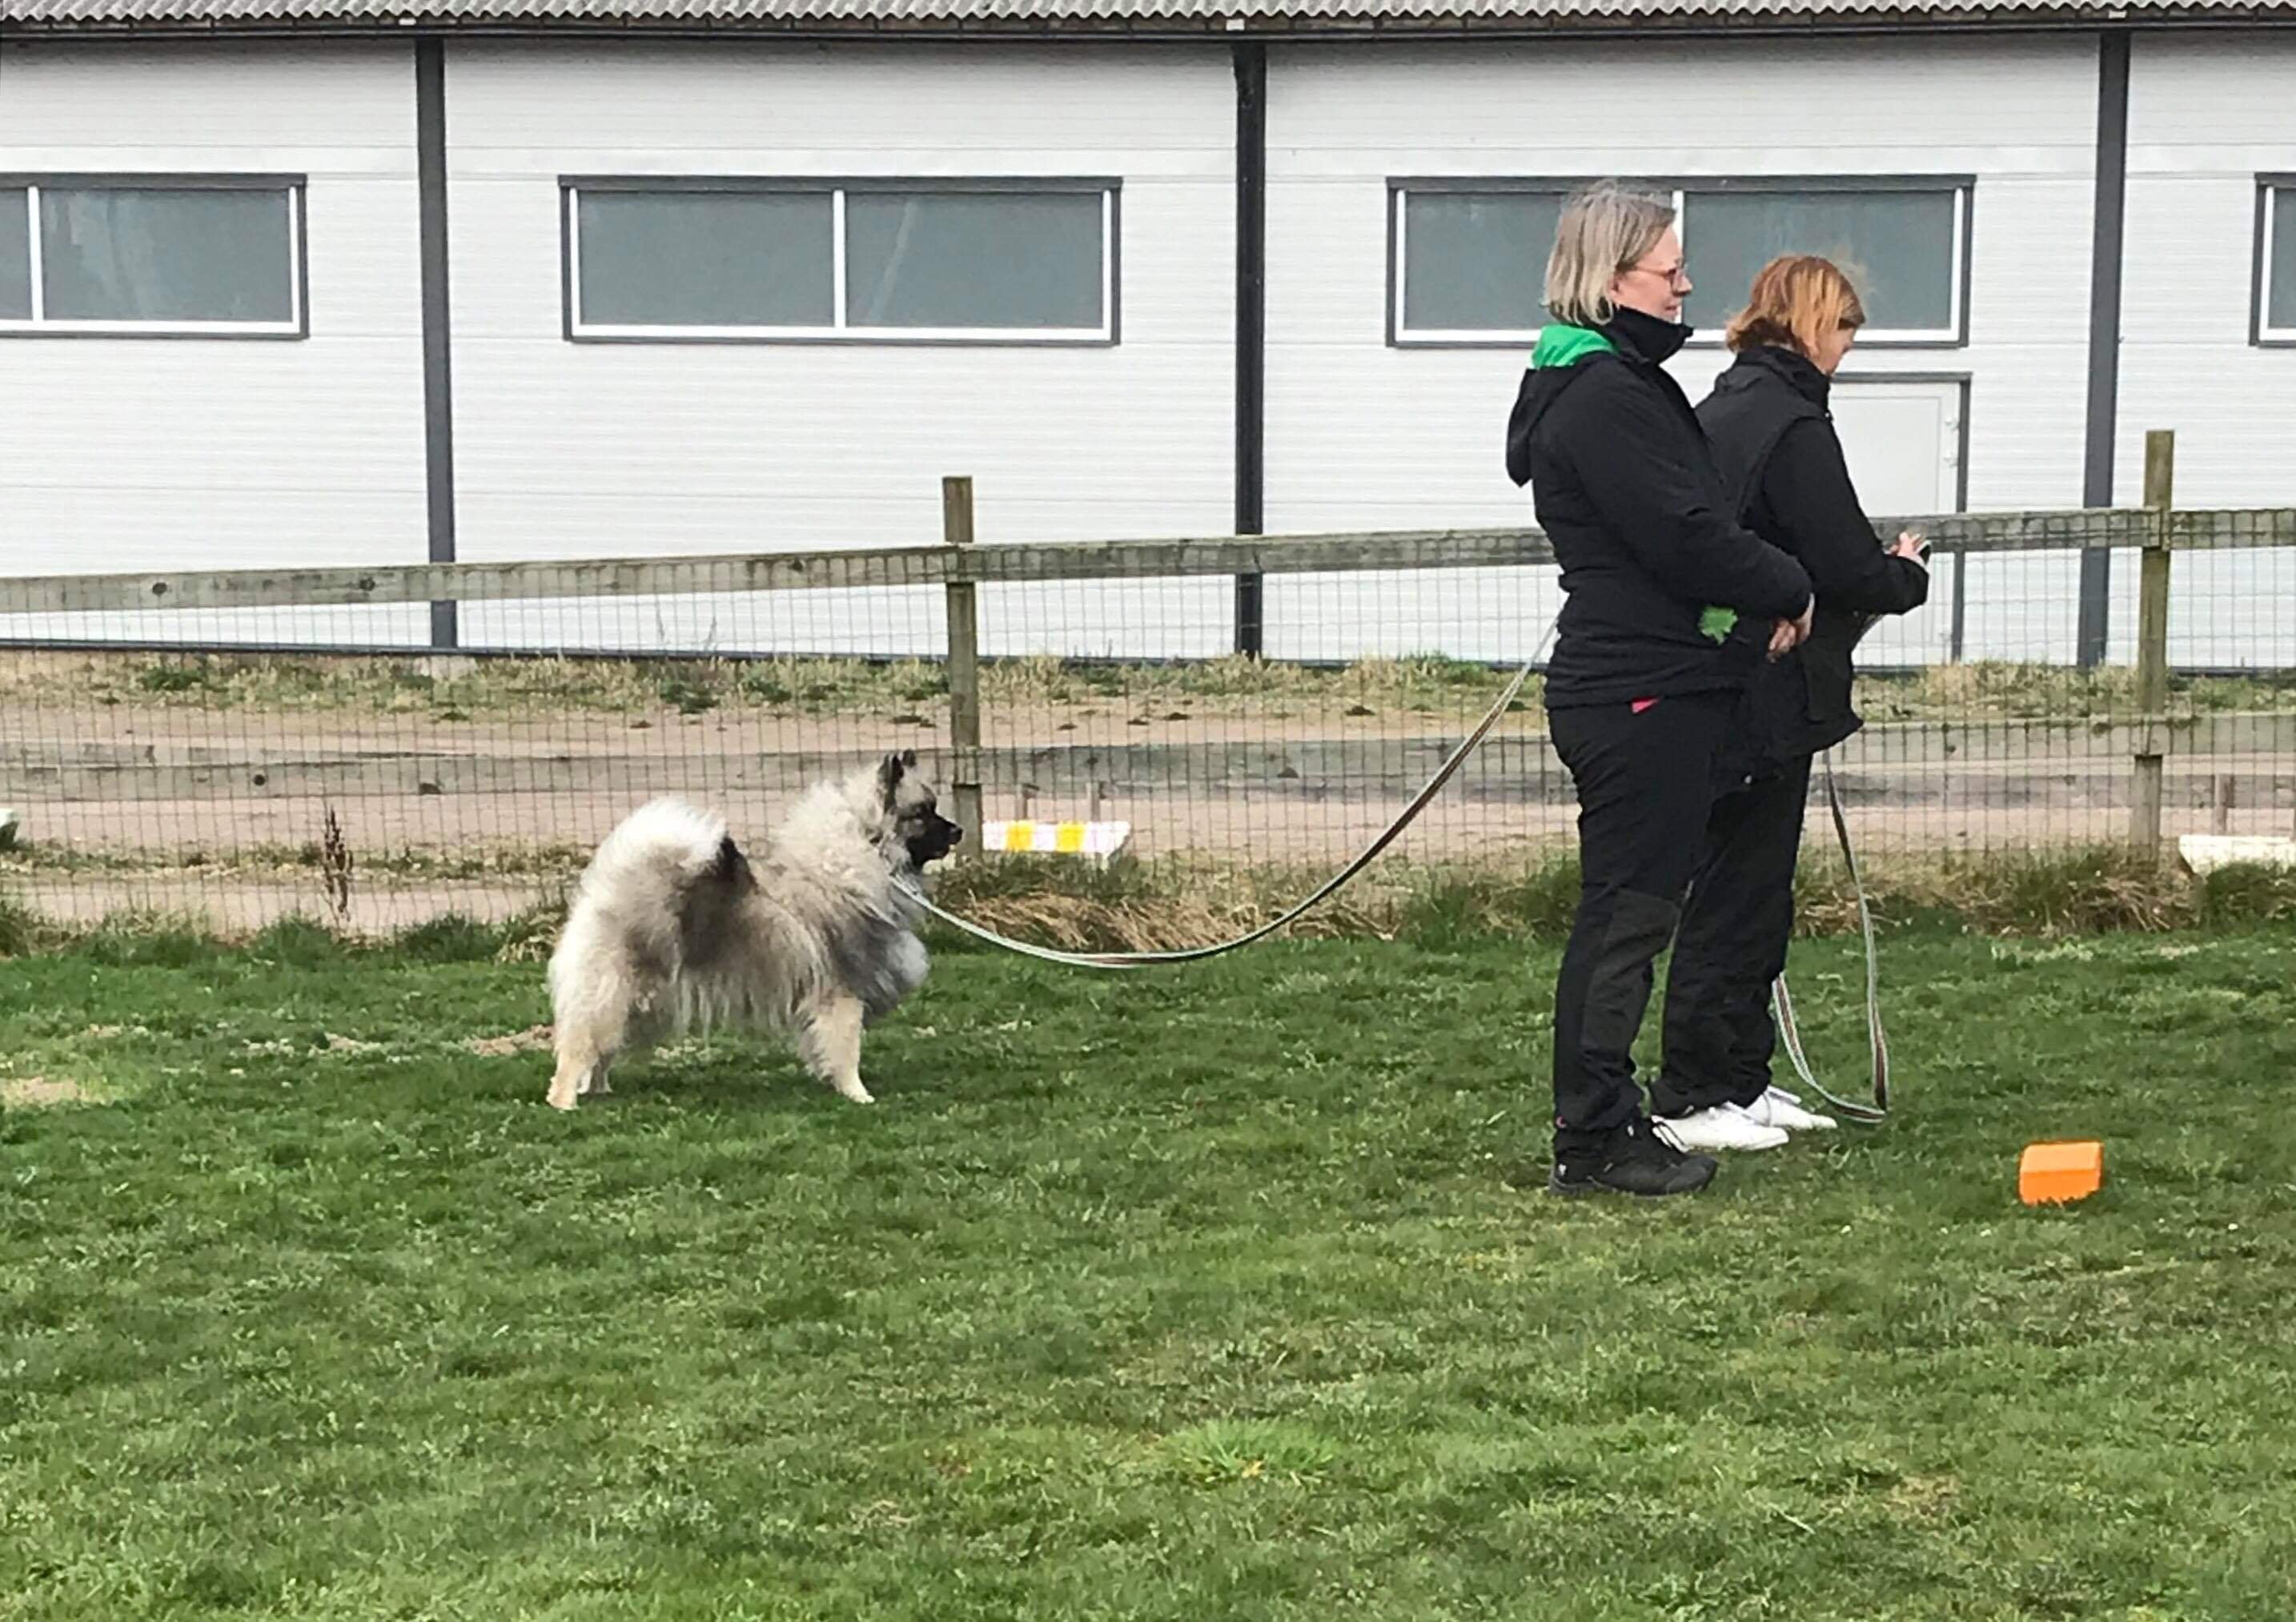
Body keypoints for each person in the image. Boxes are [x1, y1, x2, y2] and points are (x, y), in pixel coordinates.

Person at [1504, 183, 1815, 1198]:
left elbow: (1683, 538)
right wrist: (1788, 583)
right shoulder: (1605, 398)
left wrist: (1752, 610)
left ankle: (1608, 1116)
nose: (1686, 287)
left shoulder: (1614, 387)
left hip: (1657, 681)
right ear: (1610, 278)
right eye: (1669, 269)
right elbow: (1685, 535)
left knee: (1638, 914)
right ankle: (1594, 1133)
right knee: (1626, 917)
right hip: (1636, 693)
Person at [1650, 255, 1931, 1141]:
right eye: (1843, 328)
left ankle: (1741, 1077)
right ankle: (1696, 1090)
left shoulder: (1719, 409)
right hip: (1766, 687)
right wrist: (1906, 575)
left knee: (1746, 886)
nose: (1847, 348)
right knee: (1739, 893)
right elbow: (1845, 562)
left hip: (1719, 672)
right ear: (1812, 324)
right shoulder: (1795, 426)